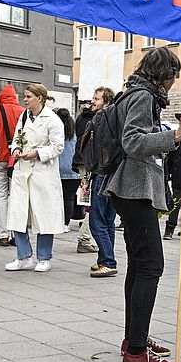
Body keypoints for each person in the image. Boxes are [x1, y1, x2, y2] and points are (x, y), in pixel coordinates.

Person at [102, 48, 181, 362]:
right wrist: (175, 136)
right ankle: (136, 350)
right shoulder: (143, 96)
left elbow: (137, 136)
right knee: (151, 266)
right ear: (163, 74)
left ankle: (134, 337)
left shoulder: (137, 93)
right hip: (133, 188)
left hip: (130, 188)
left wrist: (166, 135)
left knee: (139, 265)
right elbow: (132, 141)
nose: (174, 83)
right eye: (173, 76)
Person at [3, 85, 65, 271]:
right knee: (18, 214)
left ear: (40, 98)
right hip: (22, 171)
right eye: (24, 96)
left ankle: (44, 258)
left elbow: (58, 146)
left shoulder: (53, 120)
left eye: (29, 96)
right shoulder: (24, 116)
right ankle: (23, 256)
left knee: (44, 215)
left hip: (42, 172)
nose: (25, 100)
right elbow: (17, 138)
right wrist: (16, 149)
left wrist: (37, 153)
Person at [84, 86, 122, 277]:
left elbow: (95, 150)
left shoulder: (101, 118)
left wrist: (89, 173)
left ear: (106, 101)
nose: (92, 101)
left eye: (96, 98)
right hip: (114, 173)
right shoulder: (117, 118)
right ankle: (104, 259)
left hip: (102, 172)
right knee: (108, 221)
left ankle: (108, 261)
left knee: (96, 221)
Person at [0, 84, 24, 247]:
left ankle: (2, 234)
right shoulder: (23, 112)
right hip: (17, 159)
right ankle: (16, 235)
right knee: (16, 196)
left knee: (0, 195)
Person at [72, 99, 99, 254]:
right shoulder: (95, 118)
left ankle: (85, 236)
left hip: (82, 163)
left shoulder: (82, 117)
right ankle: (84, 237)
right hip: (90, 164)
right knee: (93, 202)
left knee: (87, 199)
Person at [56, 107, 81, 231]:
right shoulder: (75, 135)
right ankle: (66, 224)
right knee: (69, 198)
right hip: (73, 171)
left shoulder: (56, 134)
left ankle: (58, 221)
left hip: (58, 170)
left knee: (57, 198)